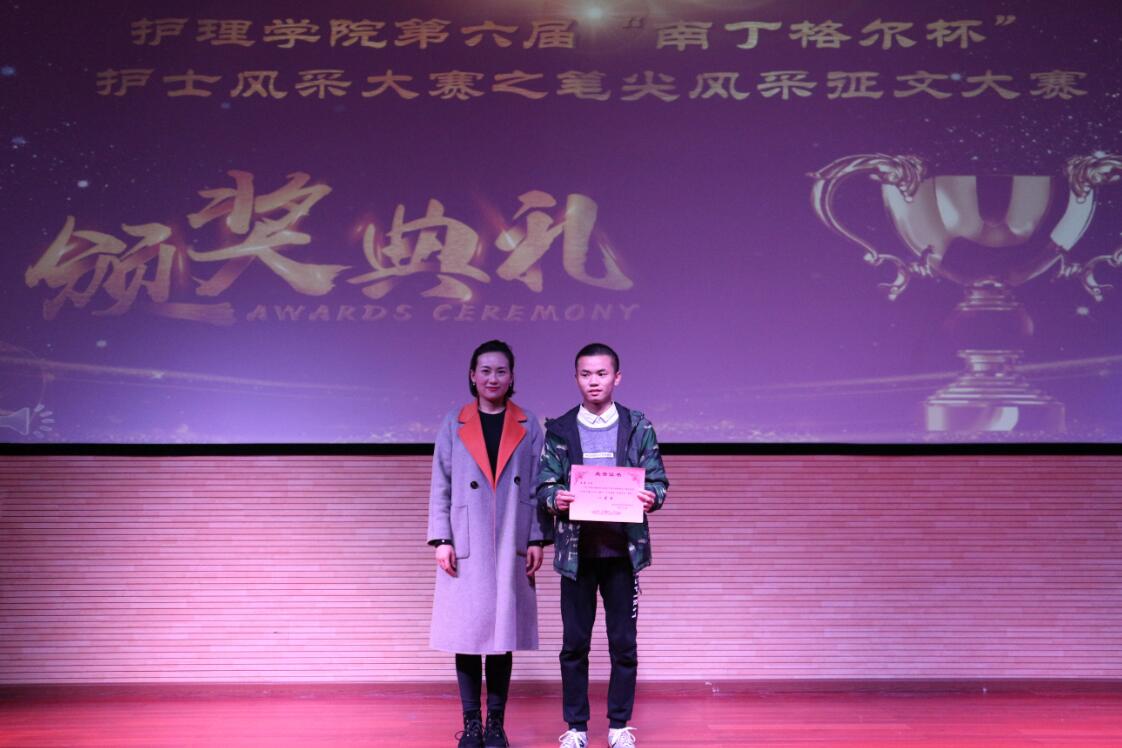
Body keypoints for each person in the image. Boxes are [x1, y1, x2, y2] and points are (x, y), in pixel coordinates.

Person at [535, 343, 669, 748]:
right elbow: (544, 485)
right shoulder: (560, 428)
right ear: (576, 378)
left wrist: (651, 496)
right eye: (585, 374)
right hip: (576, 556)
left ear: (617, 378)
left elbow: (658, 482)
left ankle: (619, 726)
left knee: (623, 644)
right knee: (574, 645)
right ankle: (576, 727)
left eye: (602, 374)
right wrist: (555, 498)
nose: (594, 382)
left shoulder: (637, 425)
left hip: (622, 554)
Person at [428, 340, 552, 748]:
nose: (492, 378)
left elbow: (538, 486)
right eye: (485, 370)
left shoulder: (528, 423)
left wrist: (537, 537)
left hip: (511, 537)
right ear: (472, 375)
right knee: (466, 634)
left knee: (502, 635)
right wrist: (442, 539)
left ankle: (496, 723)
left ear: (512, 377)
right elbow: (442, 484)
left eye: (501, 371)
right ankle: (471, 724)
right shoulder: (454, 422)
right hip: (466, 539)